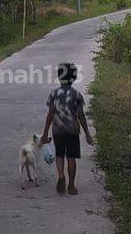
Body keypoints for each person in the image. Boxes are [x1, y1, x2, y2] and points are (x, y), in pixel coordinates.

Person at [41, 63, 94, 195]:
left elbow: (50, 114)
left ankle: (60, 175)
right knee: (71, 157)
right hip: (72, 130)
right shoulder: (76, 95)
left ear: (59, 78)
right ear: (74, 78)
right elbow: (81, 116)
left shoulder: (54, 94)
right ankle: (71, 185)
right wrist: (87, 133)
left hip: (57, 130)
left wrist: (45, 132)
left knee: (59, 155)